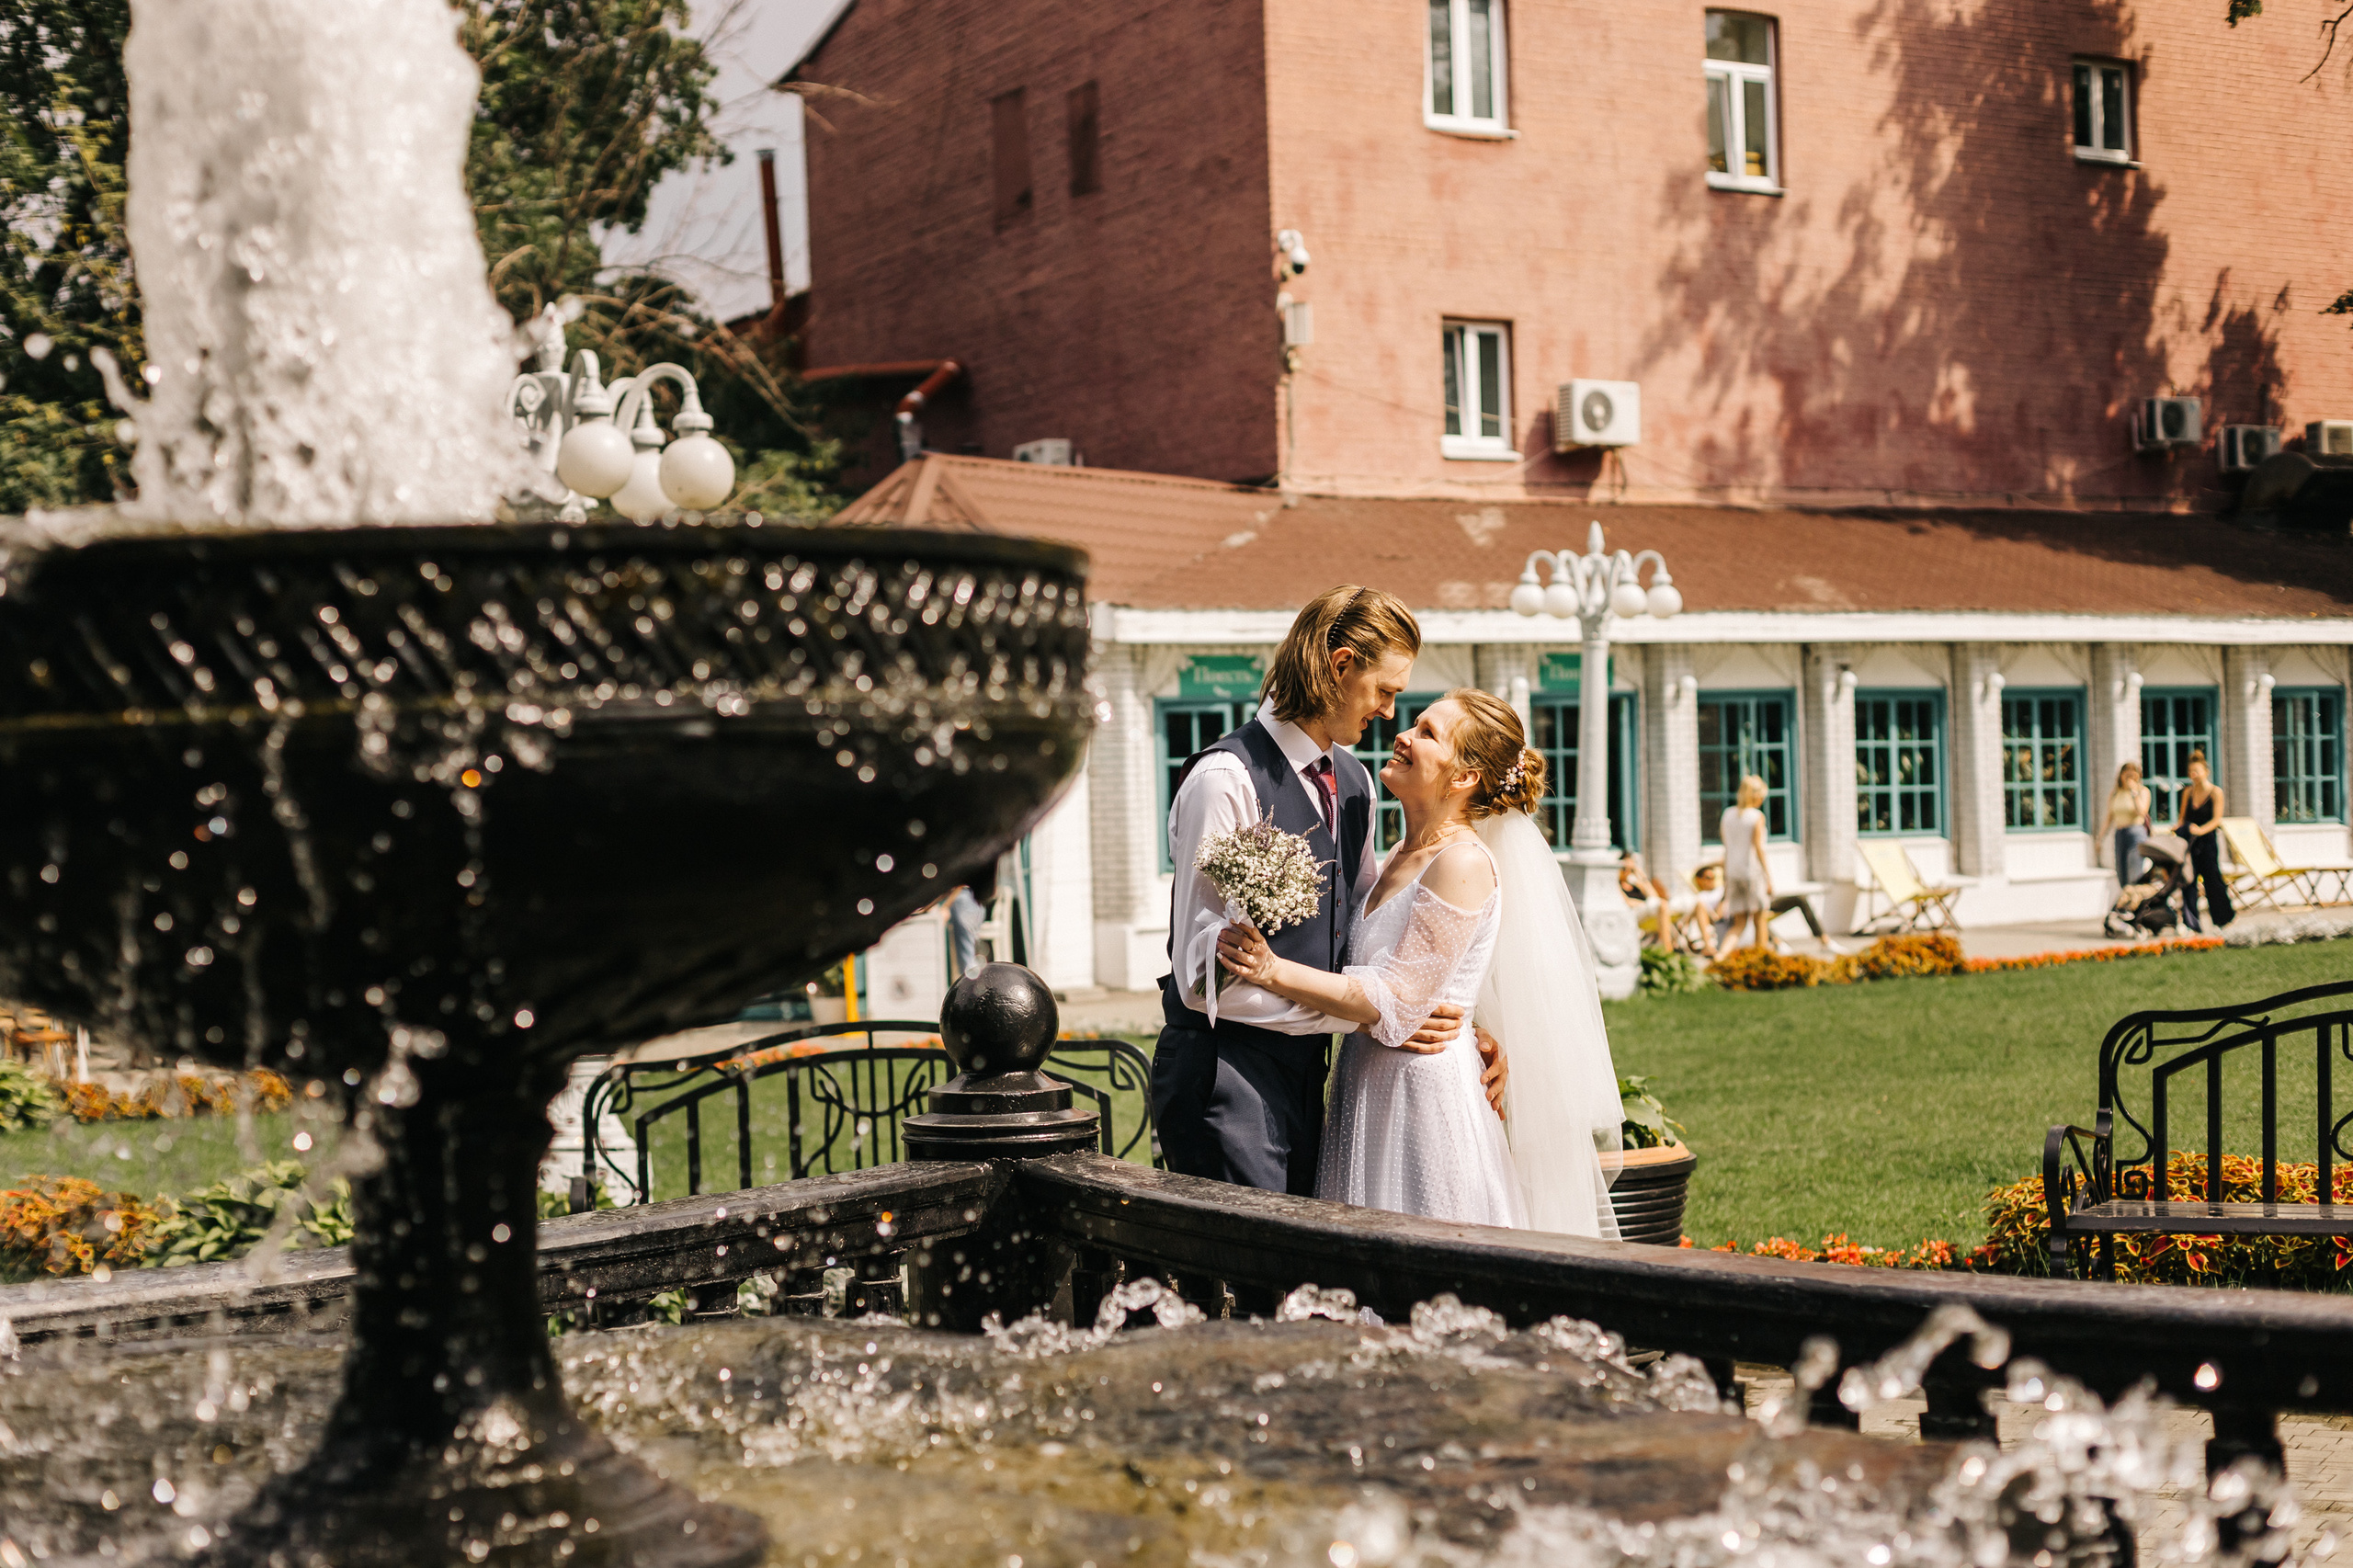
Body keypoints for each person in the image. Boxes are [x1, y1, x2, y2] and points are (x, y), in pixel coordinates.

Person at [1219, 689, 1625, 1237]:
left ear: (1463, 778)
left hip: (1424, 1099)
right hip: (1369, 1086)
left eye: (1429, 733)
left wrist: (1271, 970)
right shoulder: (1399, 855)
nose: (1403, 735)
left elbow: (1399, 1001)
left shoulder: (1461, 861)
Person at [1151, 586, 1504, 1198]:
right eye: (1385, 692)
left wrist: (1455, 1022)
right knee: (1248, 1280)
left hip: (1315, 1083)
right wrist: (1370, 1022)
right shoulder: (1224, 779)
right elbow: (1201, 979)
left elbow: (1366, 937)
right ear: (1341, 667)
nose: (1390, 713)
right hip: (1226, 1077)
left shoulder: (1356, 783)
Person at [2176, 750, 2234, 931]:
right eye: (2191, 772)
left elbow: (2217, 820)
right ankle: (2191, 922)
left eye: (2197, 771)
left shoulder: (2216, 792)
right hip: (2189, 842)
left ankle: (2222, 920)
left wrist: (2201, 830)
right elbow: (2182, 818)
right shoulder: (2187, 792)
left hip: (2207, 842)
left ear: (2206, 772)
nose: (2193, 775)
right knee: (2188, 881)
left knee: (2212, 880)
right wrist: (2176, 829)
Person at [1718, 775, 1774, 952]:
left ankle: (1720, 957)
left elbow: (1727, 847)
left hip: (1733, 873)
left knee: (1739, 923)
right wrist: (1768, 877)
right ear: (1756, 796)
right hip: (1752, 874)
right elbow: (1759, 849)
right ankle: (1762, 961)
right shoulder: (1756, 816)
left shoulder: (1727, 814)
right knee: (1760, 920)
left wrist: (1726, 878)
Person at [2104, 761, 2153, 890]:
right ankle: (2125, 904)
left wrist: (2134, 792)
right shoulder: (2115, 793)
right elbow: (2109, 817)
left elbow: (2142, 812)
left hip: (2135, 833)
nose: (2129, 776)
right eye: (2126, 773)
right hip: (2120, 833)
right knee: (2121, 873)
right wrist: (2100, 838)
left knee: (2134, 872)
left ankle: (2135, 904)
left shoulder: (2143, 791)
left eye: (2133, 773)